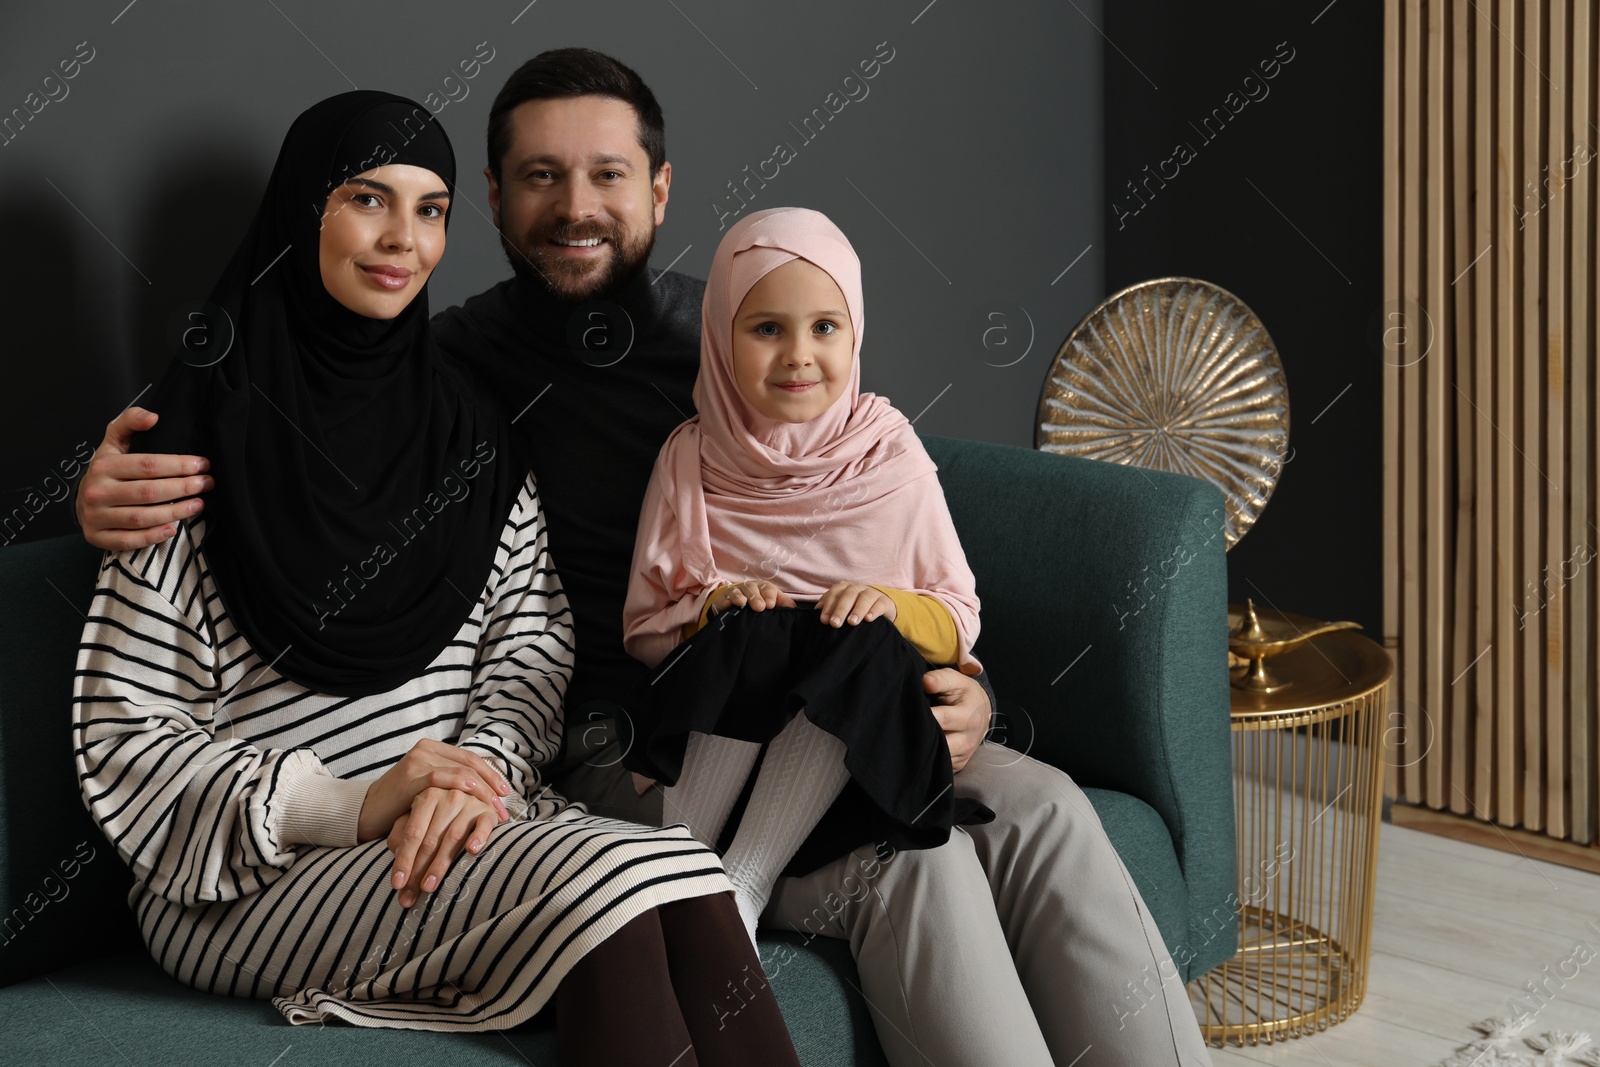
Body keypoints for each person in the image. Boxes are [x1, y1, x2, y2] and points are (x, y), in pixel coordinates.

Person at [75, 51, 1212, 1066]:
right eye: (539, 177)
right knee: (915, 858)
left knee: (1044, 801)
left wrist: (955, 681)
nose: (577, 207)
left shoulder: (725, 336)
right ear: (497, 201)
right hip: (644, 741)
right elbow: (294, 451)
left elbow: (871, 517)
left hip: (818, 701)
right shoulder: (458, 365)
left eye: (609, 174)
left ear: (658, 190)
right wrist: (105, 483)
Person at [71, 89, 800, 1067]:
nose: (401, 240)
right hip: (248, 872)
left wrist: (479, 777)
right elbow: (125, 733)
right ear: (302, 211)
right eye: (367, 199)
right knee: (612, 883)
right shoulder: (183, 445)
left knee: (682, 870)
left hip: (465, 825)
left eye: (430, 210)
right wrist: (361, 800)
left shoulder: (469, 431)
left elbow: (530, 650)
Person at [621, 207, 992, 948]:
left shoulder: (888, 452)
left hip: (856, 743)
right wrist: (711, 605)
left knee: (856, 637)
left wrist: (889, 603)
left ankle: (744, 883)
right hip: (722, 724)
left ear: (855, 334)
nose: (799, 355)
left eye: (825, 327)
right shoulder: (690, 459)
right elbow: (644, 624)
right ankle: (678, 864)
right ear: (721, 337)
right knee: (750, 620)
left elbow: (957, 615)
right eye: (766, 329)